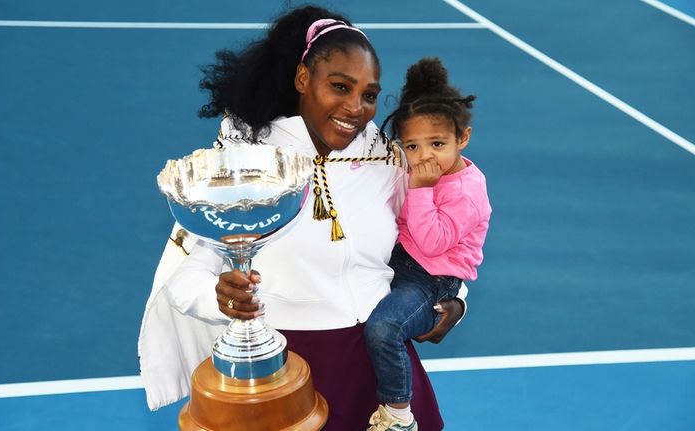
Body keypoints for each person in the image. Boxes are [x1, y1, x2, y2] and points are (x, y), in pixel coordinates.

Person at [138, 6, 467, 430]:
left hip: (384, 373)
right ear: (302, 80)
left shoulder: (390, 159)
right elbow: (185, 278)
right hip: (283, 377)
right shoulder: (244, 164)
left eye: (368, 95)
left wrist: (455, 302)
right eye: (339, 86)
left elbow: (443, 235)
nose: (355, 108)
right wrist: (223, 299)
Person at [364, 58, 492, 431]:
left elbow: (433, 242)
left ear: (462, 138)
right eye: (413, 146)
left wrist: (419, 190)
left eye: (437, 144)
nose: (423, 157)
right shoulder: (412, 167)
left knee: (384, 328)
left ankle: (399, 416)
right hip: (400, 263)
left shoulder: (467, 190)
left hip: (432, 279)